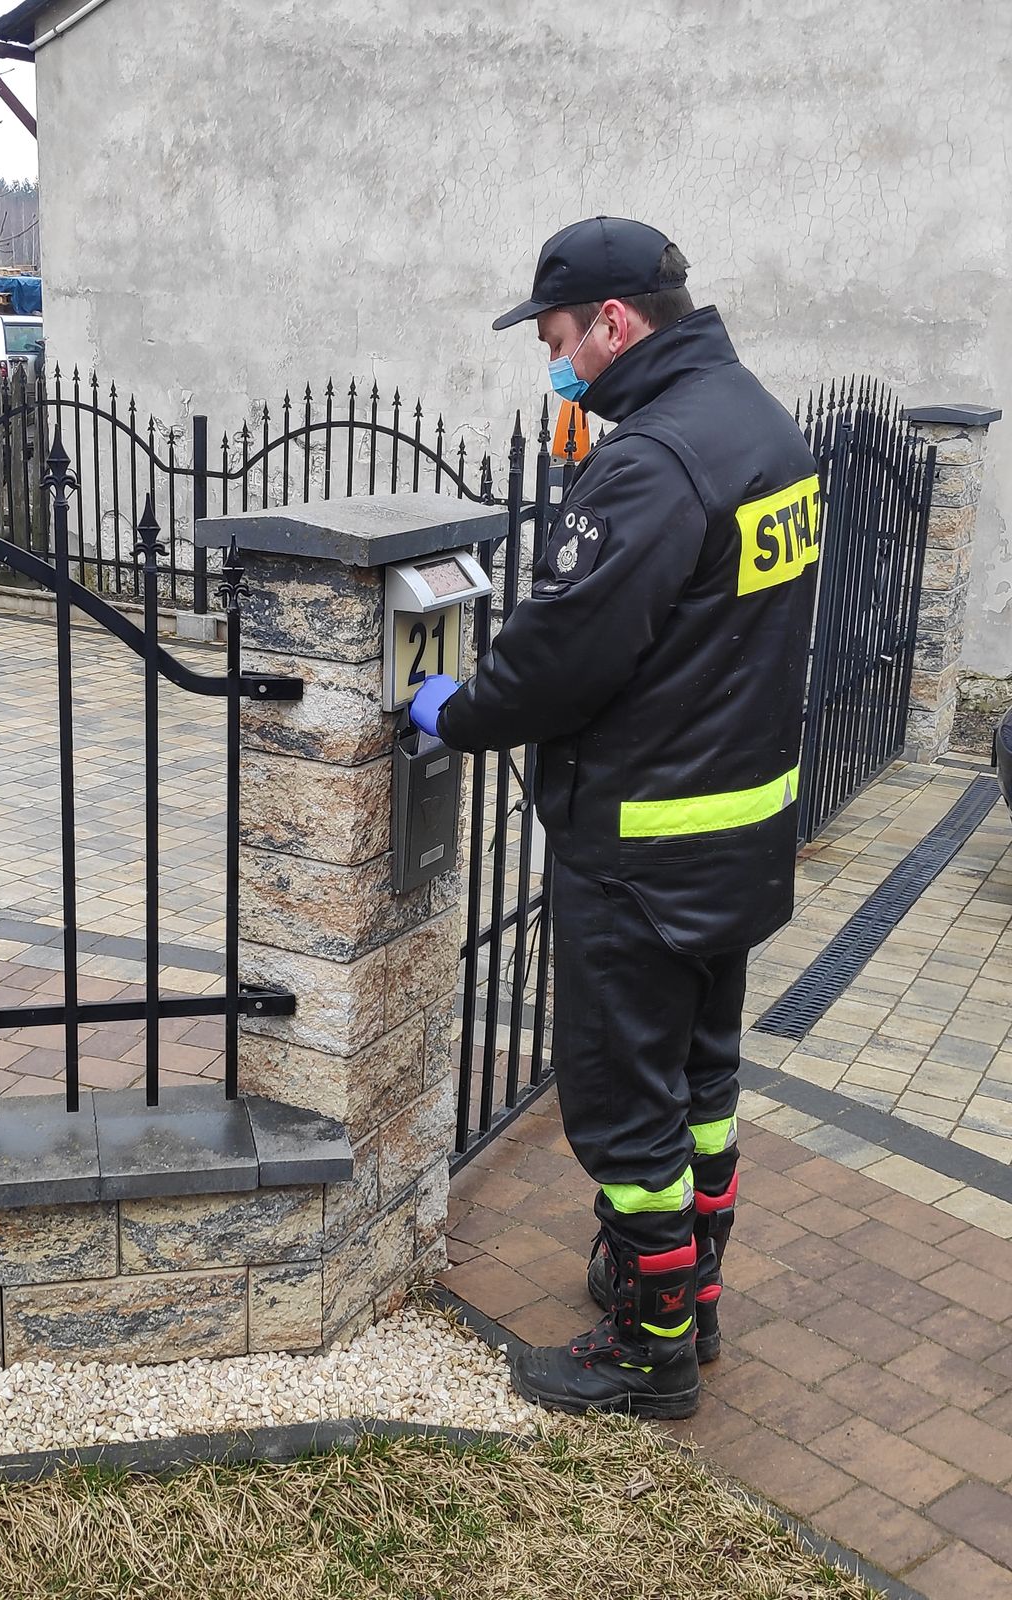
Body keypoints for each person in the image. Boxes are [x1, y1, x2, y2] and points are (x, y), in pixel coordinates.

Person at [410, 217, 819, 1418]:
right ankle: (696, 1293)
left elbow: (563, 654)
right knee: (702, 1081)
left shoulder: (653, 464)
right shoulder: (764, 428)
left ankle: (652, 1351)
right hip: (739, 836)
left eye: (558, 341)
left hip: (643, 850)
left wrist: (455, 710)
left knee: (625, 1110)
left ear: (615, 323)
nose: (556, 364)